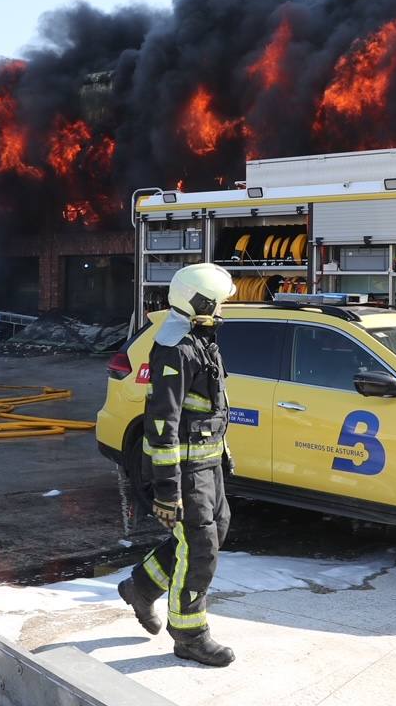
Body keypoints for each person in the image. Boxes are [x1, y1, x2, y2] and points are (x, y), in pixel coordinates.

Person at [118, 263, 238, 667]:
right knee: (200, 546)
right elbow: (161, 423)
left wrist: (223, 456)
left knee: (211, 533)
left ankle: (141, 586)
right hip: (186, 471)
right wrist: (166, 490)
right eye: (218, 301)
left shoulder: (199, 340)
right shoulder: (176, 349)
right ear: (199, 301)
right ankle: (189, 634)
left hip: (208, 464)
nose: (223, 308)